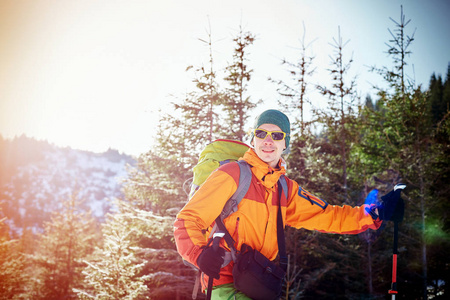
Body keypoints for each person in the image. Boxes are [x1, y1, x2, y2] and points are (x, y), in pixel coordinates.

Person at [174, 109, 399, 299]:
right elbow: (187, 220)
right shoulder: (232, 174)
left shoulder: (285, 189)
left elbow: (329, 216)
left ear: (285, 143)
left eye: (276, 135)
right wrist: (199, 254)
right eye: (261, 133)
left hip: (260, 283)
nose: (268, 140)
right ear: (253, 139)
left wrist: (374, 213)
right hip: (225, 284)